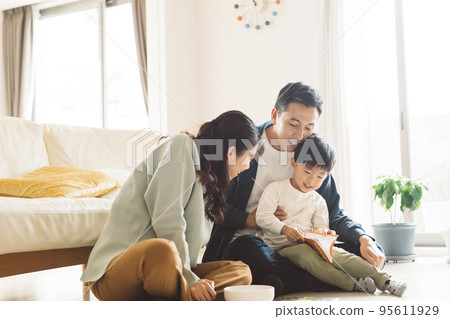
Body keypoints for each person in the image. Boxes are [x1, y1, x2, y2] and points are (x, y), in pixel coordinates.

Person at [203, 82, 386, 296]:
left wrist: (363, 238)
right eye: (293, 124)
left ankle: (287, 281)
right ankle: (320, 277)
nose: (300, 136)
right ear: (274, 115)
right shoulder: (246, 144)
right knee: (250, 251)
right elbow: (210, 203)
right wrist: (245, 219)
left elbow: (334, 213)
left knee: (371, 254)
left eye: (309, 128)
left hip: (300, 248)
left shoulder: (311, 152)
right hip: (253, 246)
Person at [81, 110, 262, 301]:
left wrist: (189, 277)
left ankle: (169, 303)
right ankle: (185, 298)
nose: (247, 166)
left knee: (240, 272)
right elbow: (167, 217)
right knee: (163, 250)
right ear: (231, 153)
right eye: (249, 158)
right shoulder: (181, 146)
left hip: (170, 277)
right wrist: (190, 280)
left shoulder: (210, 186)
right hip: (119, 273)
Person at [256, 134, 407, 296]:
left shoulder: (319, 201)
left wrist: (324, 234)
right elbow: (262, 217)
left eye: (320, 176)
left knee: (340, 255)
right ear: (293, 163)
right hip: (281, 248)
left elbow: (321, 228)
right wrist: (284, 229)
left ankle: (385, 280)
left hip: (310, 244)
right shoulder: (276, 189)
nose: (312, 180)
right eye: (307, 171)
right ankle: (352, 283)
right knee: (308, 257)